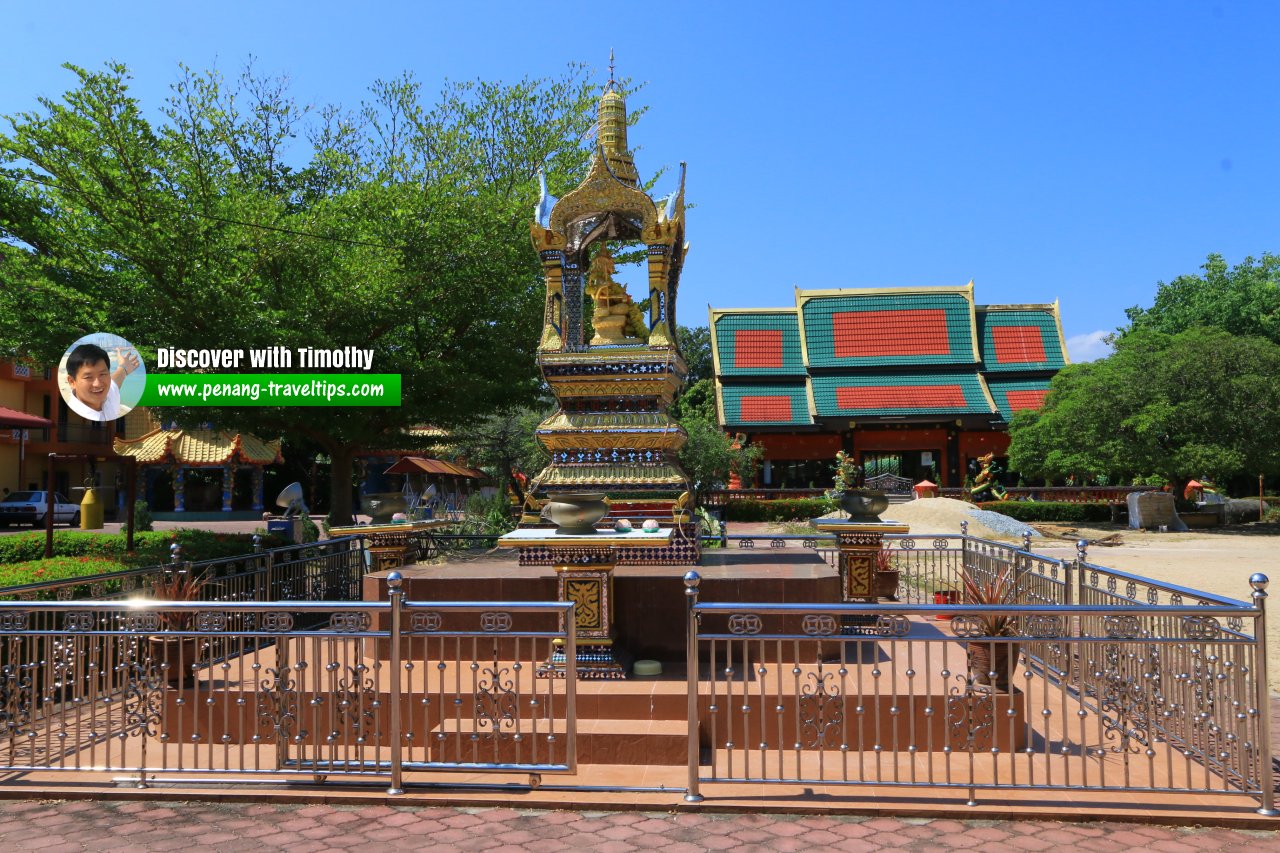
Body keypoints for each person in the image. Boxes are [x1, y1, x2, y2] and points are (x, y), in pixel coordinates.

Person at [64, 343, 139, 422]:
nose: (98, 384)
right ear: (72, 382)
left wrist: (123, 368)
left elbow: (115, 381)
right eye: (88, 377)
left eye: (102, 374)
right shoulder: (76, 416)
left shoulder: (108, 395)